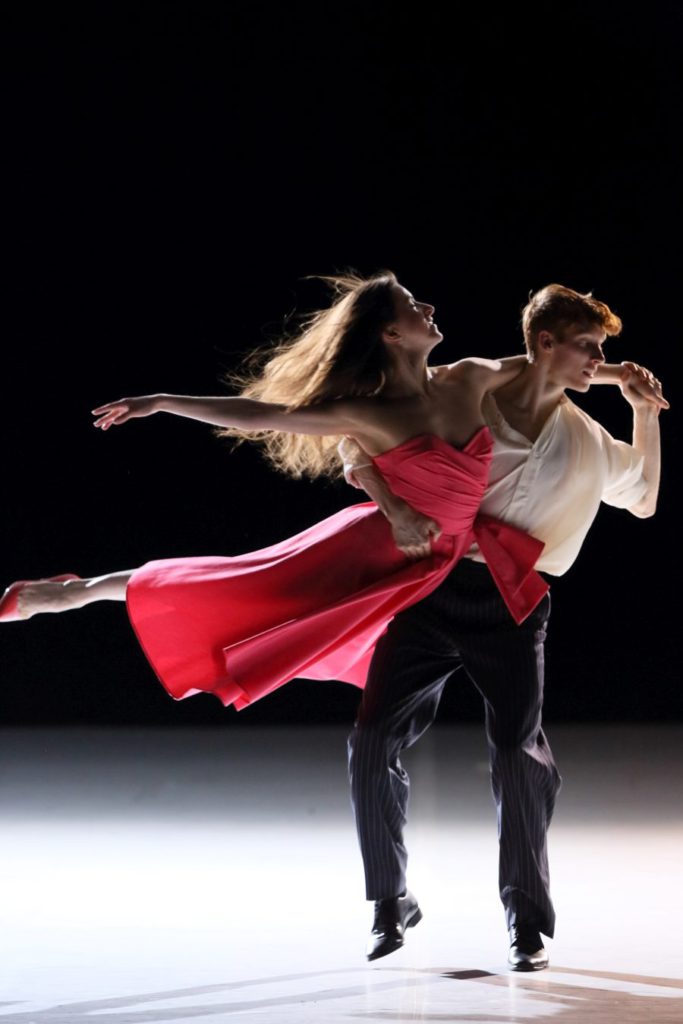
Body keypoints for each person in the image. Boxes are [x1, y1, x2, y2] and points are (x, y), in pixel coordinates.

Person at [1, 270, 556, 708]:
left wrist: (620, 377)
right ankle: (75, 591)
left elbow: (549, 370)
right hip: (373, 549)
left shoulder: (469, 377)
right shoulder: (368, 414)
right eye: (415, 306)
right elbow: (259, 414)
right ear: (391, 334)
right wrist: (164, 401)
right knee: (234, 591)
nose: (429, 309)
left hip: (432, 562)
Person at [339, 283, 666, 970]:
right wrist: (394, 508)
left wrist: (641, 411)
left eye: (599, 351)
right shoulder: (471, 397)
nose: (600, 359)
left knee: (519, 755)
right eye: (588, 347)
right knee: (371, 738)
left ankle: (526, 918)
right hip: (432, 590)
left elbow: (641, 498)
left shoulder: (584, 440)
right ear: (544, 343)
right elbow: (362, 439)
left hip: (513, 606)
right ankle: (386, 899)